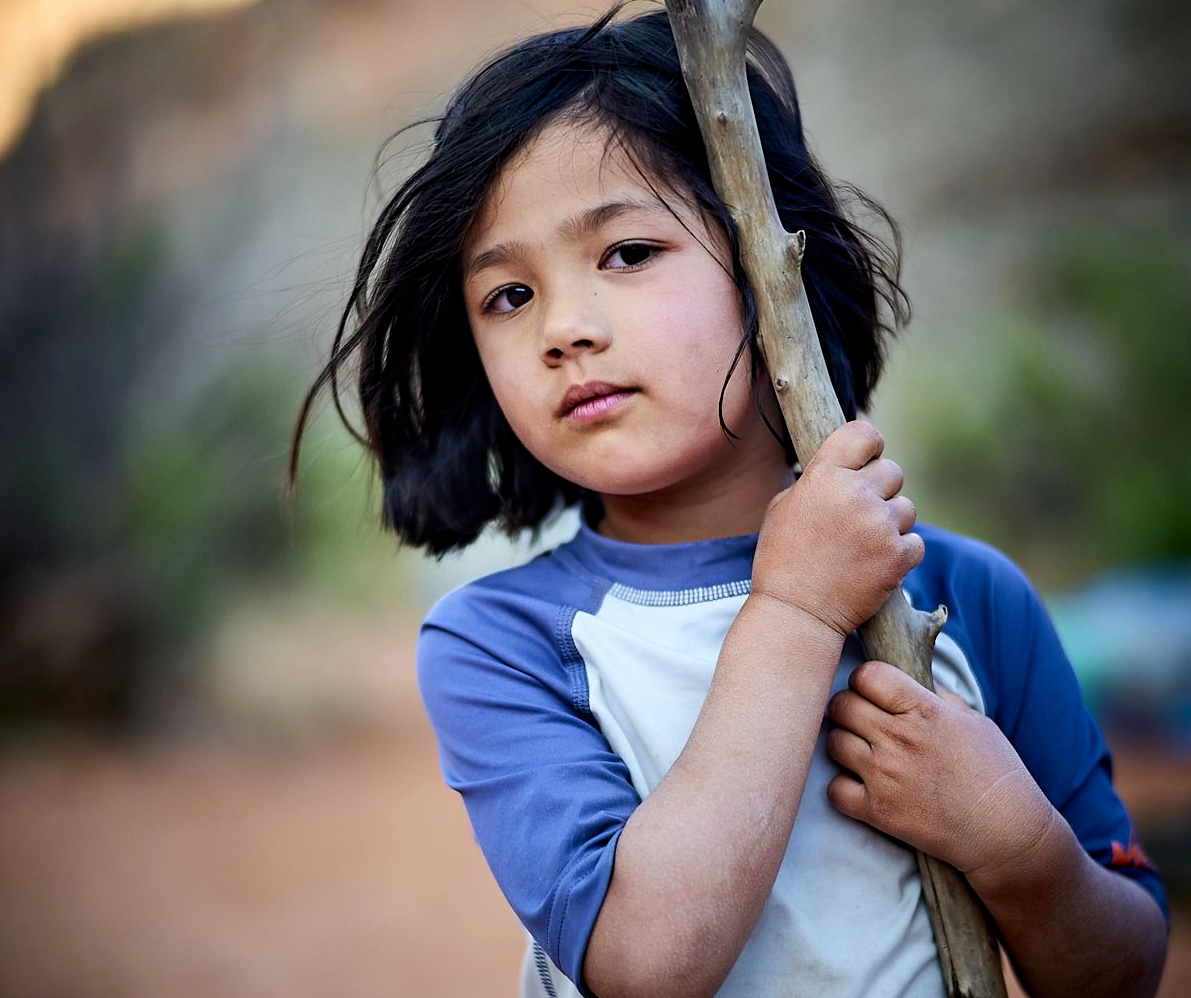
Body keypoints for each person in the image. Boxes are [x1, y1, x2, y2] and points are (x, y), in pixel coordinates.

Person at [291, 7, 1168, 998]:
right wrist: (794, 608)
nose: (565, 329)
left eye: (625, 252)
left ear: (768, 265)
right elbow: (648, 962)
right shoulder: (502, 644)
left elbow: (1123, 969)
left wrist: (1015, 844)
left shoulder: (964, 596)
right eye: (507, 295)